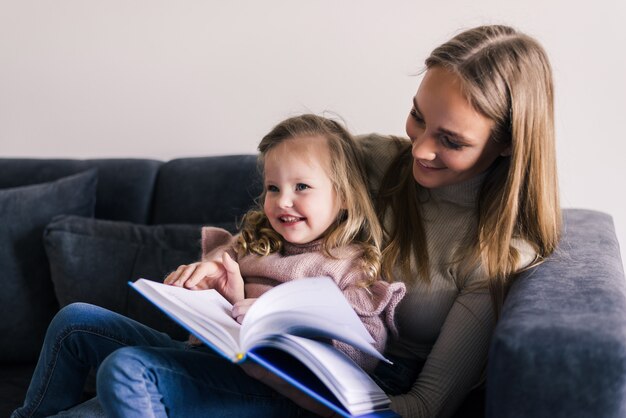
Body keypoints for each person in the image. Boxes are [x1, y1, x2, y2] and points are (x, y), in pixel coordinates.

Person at [157, 24, 561, 418]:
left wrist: (286, 383)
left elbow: (424, 407)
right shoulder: (373, 159)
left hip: (343, 395)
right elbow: (270, 215)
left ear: (509, 142)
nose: (419, 150)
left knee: (139, 379)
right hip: (262, 348)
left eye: (451, 141)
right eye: (417, 117)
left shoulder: (497, 255)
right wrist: (218, 261)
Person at [11, 114, 405, 418]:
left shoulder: (353, 266)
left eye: (301, 187)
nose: (283, 201)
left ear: (345, 197)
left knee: (126, 368)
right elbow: (213, 324)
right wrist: (214, 294)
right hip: (209, 362)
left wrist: (285, 324)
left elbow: (362, 358)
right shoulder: (250, 243)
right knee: (75, 320)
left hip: (273, 391)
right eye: (273, 188)